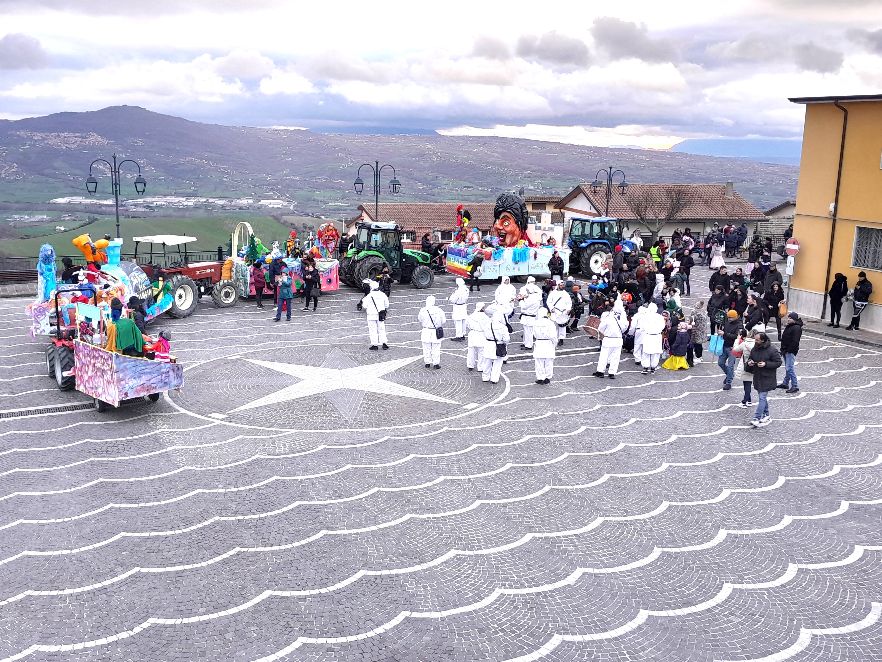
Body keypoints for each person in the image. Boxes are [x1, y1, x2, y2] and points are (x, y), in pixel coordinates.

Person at [747, 332, 783, 427]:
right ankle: (766, 415)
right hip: (758, 376)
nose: (755, 341)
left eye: (757, 340)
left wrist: (766, 364)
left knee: (762, 397)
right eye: (755, 339)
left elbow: (778, 362)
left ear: (763, 340)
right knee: (762, 397)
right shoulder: (754, 349)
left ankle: (757, 418)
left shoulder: (772, 350)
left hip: (767, 377)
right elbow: (750, 358)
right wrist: (750, 362)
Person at [593, 299, 627, 378]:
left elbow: (601, 327)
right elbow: (625, 328)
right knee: (615, 357)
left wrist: (601, 334)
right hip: (618, 339)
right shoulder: (623, 318)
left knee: (604, 356)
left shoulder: (608, 316)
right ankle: (612, 373)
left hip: (608, 338)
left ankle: (600, 371)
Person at [733, 325, 762, 408]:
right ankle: (749, 401)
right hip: (756, 366)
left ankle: (744, 401)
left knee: (747, 384)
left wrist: (737, 340)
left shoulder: (744, 344)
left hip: (746, 365)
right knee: (750, 383)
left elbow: (735, 349)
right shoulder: (758, 345)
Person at [481, 304, 509, 384]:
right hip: (498, 344)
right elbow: (506, 339)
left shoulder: (487, 325)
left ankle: (485, 377)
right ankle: (494, 378)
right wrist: (505, 343)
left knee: (487, 361)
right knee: (498, 363)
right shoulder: (502, 327)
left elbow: (484, 334)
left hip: (488, 344)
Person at [777, 311, 803, 394]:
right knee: (788, 368)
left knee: (789, 368)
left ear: (794, 319)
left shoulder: (796, 328)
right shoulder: (790, 326)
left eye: (790, 318)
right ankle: (785, 383)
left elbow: (795, 341)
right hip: (786, 350)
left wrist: (789, 350)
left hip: (790, 351)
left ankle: (795, 386)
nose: (788, 319)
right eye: (788, 317)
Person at [418, 295, 446, 369]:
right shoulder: (439, 310)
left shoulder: (422, 310)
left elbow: (420, 319)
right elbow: (443, 321)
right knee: (436, 348)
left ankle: (427, 363)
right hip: (435, 331)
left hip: (426, 330)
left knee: (426, 348)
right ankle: (436, 363)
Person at [718, 309, 743, 391]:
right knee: (720, 363)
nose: (729, 319)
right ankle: (729, 375)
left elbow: (737, 336)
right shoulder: (727, 322)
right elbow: (725, 331)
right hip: (724, 345)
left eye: (731, 317)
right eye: (728, 317)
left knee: (730, 366)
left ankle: (728, 382)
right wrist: (721, 332)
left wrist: (724, 334)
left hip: (733, 348)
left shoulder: (739, 325)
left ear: (735, 317)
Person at [532, 308, 557, 384]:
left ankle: (540, 377)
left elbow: (533, 334)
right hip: (548, 343)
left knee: (539, 362)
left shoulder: (535, 323)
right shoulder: (550, 323)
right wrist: (554, 344)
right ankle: (547, 377)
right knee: (549, 362)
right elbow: (553, 336)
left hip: (539, 343)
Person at [639, 303, 665, 374]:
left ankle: (645, 367)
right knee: (655, 353)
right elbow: (662, 326)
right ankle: (653, 367)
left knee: (646, 352)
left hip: (648, 336)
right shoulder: (660, 317)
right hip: (656, 336)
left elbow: (642, 327)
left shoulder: (645, 317)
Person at [363, 280, 389, 350]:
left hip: (371, 315)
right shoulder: (382, 294)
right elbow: (387, 305)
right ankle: (384, 343)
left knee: (373, 330)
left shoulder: (369, 296)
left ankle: (375, 344)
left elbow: (364, 306)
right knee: (382, 329)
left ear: (371, 287)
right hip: (380, 314)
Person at [517, 276, 542, 349]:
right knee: (526, 331)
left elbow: (524, 306)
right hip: (528, 316)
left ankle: (528, 345)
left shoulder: (532, 298)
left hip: (529, 316)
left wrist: (520, 300)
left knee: (528, 332)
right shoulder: (535, 297)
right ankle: (525, 343)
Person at [546, 280, 572, 346]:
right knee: (555, 326)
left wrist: (568, 309)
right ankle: (554, 338)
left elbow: (569, 302)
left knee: (562, 327)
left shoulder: (565, 293)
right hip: (555, 311)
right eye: (561, 285)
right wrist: (551, 308)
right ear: (558, 285)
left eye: (563, 285)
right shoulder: (552, 293)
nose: (562, 286)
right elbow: (549, 302)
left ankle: (561, 339)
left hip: (563, 312)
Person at [466, 302, 489, 371]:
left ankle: (470, 365)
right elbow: (487, 327)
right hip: (481, 334)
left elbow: (467, 324)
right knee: (481, 351)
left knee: (471, 351)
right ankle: (481, 367)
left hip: (472, 333)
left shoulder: (471, 316)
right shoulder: (485, 317)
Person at [688, 300, 707, 366]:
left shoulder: (694, 312)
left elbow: (691, 320)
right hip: (702, 330)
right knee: (699, 344)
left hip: (696, 330)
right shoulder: (704, 311)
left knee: (696, 344)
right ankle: (700, 356)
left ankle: (698, 357)